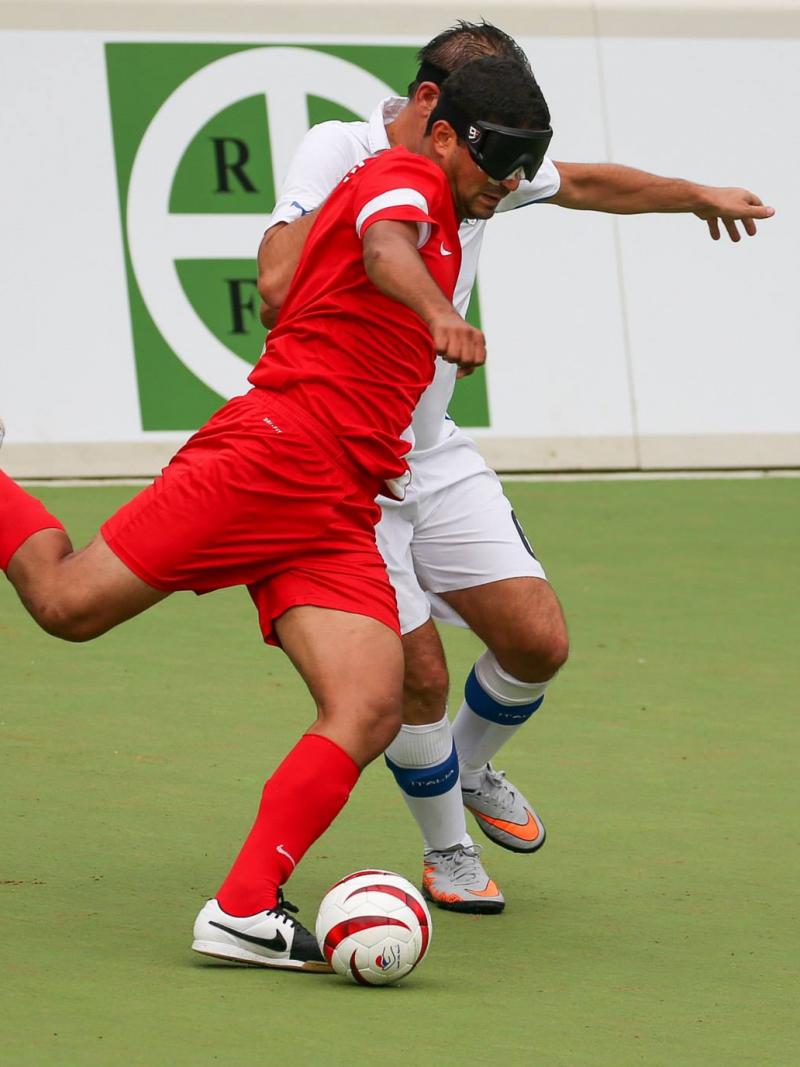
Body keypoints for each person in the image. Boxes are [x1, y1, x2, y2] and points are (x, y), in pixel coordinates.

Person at [0, 58, 553, 970]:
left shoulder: (461, 202)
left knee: (370, 701)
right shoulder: (403, 173)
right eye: (503, 162)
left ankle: (243, 908)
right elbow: (383, 251)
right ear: (446, 133)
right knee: (65, 603)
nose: (513, 183)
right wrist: (437, 316)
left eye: (528, 166)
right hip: (276, 453)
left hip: (343, 496)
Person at [257, 20, 775, 915]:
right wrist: (376, 235)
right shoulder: (341, 149)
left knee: (538, 639)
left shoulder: (486, 163)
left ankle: (473, 763)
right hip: (346, 467)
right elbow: (273, 280)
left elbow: (583, 183)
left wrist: (694, 194)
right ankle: (447, 852)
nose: (503, 179)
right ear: (435, 106)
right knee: (413, 673)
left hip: (432, 451)